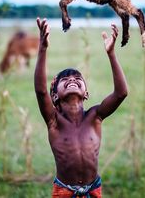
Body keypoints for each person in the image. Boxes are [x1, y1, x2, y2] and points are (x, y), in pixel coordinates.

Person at [34, 18, 128, 197]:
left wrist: (111, 54)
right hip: (64, 192)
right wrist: (43, 48)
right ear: (54, 96)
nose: (72, 80)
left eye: (78, 79)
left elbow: (121, 93)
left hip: (93, 190)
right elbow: (40, 91)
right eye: (65, 80)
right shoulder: (54, 121)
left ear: (86, 93)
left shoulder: (95, 116)